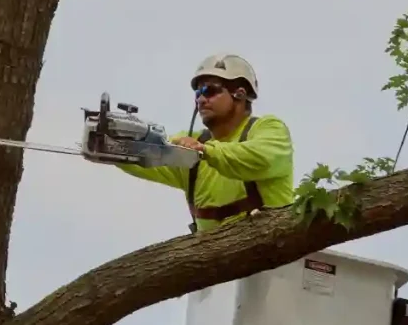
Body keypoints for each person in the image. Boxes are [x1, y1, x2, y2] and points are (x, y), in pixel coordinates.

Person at [117, 53, 294, 233]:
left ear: (240, 94)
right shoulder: (193, 142)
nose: (201, 99)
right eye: (198, 93)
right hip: (215, 259)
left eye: (209, 90)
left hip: (275, 254)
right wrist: (112, 144)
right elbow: (148, 155)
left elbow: (260, 159)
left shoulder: (268, 128)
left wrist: (205, 150)